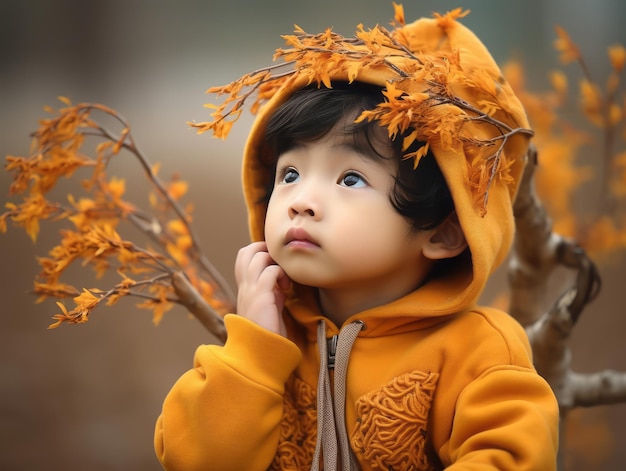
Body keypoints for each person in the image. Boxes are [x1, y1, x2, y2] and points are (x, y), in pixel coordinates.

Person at [154, 6, 559, 470]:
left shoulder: (475, 351)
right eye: (290, 173)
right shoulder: (268, 335)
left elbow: (512, 458)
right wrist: (254, 349)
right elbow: (193, 460)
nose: (300, 200)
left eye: (349, 179)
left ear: (446, 231)